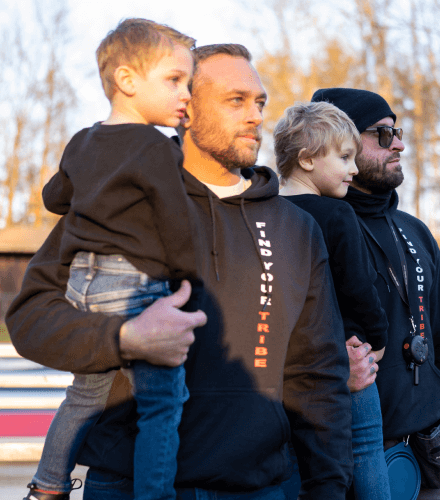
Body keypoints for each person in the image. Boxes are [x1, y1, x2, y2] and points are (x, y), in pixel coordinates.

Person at [7, 44, 353, 500]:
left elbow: (318, 371)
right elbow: (31, 318)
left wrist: (328, 488)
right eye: (236, 101)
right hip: (126, 484)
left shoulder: (296, 226)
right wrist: (124, 338)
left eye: (259, 102)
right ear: (185, 108)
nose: (255, 116)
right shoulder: (117, 198)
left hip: (258, 487)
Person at [22, 18, 201, 500]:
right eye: (174, 80)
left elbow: (55, 195)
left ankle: (47, 487)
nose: (186, 92)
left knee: (84, 396)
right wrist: (190, 275)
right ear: (127, 81)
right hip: (133, 284)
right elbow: (176, 219)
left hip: (82, 283)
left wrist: (95, 195)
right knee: (163, 404)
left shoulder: (82, 140)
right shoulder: (155, 148)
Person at [311, 88, 440, 500]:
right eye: (382, 134)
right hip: (345, 460)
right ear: (340, 140)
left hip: (425, 457)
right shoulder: (307, 225)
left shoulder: (416, 231)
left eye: (396, 132)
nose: (398, 143)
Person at [275, 101, 391, 500]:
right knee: (365, 450)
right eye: (344, 157)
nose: (354, 170)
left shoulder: (263, 212)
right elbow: (360, 289)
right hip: (347, 352)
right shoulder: (337, 214)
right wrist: (377, 339)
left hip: (286, 367)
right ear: (307, 160)